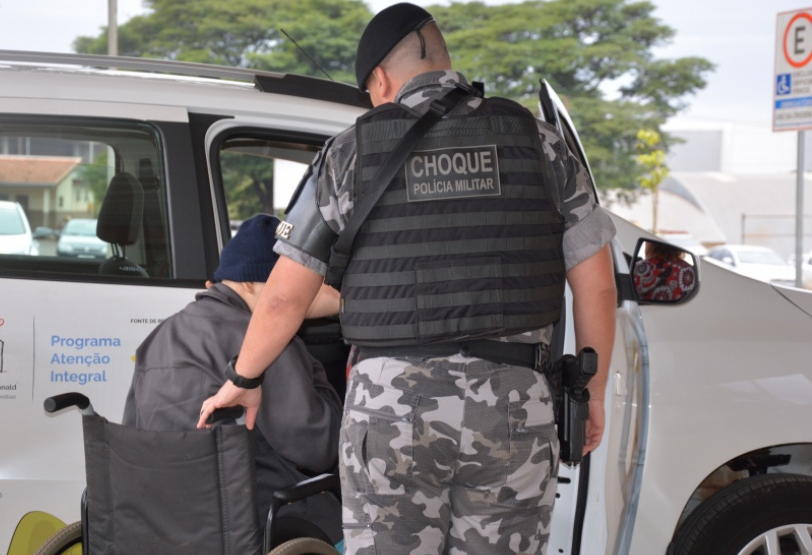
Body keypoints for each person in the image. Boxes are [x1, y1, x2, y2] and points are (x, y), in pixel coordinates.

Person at [198, 4, 617, 553]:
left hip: (390, 412)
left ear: (379, 78)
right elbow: (598, 285)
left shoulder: (348, 152)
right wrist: (591, 394)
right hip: (514, 408)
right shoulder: (540, 143)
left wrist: (244, 378)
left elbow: (282, 298)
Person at [123, 214, 344, 545]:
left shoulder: (159, 336)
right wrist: (315, 372)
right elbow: (321, 447)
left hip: (168, 525)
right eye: (289, 284)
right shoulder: (264, 343)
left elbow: (134, 433)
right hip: (260, 525)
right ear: (251, 282)